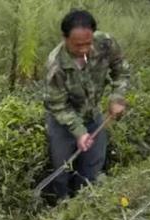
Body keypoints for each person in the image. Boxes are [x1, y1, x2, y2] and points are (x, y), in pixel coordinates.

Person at [43, 9, 130, 200]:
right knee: (62, 168)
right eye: (77, 45)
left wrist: (117, 97)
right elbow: (58, 105)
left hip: (93, 115)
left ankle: (84, 201)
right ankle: (62, 204)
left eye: (87, 44)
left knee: (93, 164)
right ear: (64, 38)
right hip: (63, 122)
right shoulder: (55, 65)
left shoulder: (105, 43)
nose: (83, 50)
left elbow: (121, 70)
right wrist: (79, 132)